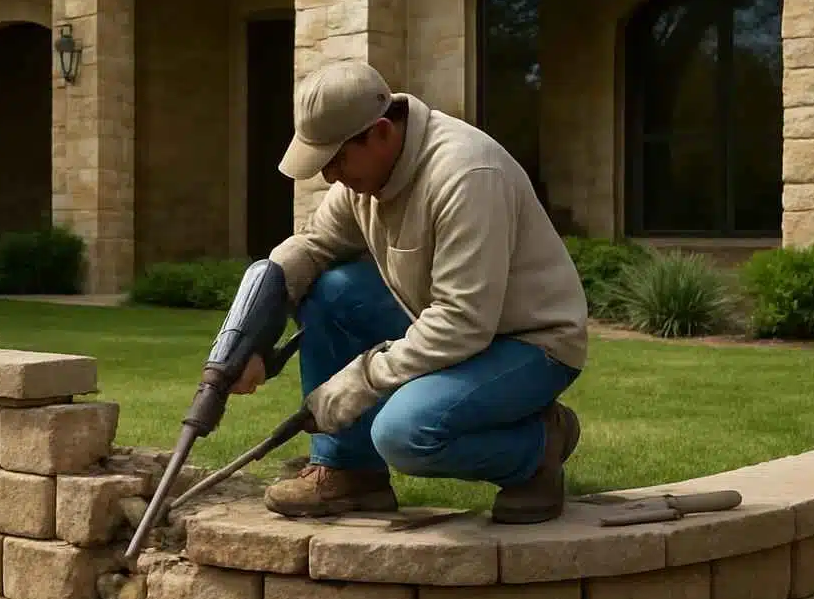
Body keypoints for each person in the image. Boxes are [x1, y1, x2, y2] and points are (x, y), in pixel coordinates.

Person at [231, 60, 589, 524]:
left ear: (380, 133)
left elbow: (462, 322)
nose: (329, 177)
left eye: (336, 160)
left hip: (529, 344)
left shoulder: (466, 175)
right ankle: (349, 472)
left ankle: (540, 446)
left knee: (406, 432)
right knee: (332, 288)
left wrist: (362, 380)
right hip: (449, 325)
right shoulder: (365, 179)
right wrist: (252, 332)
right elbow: (312, 247)